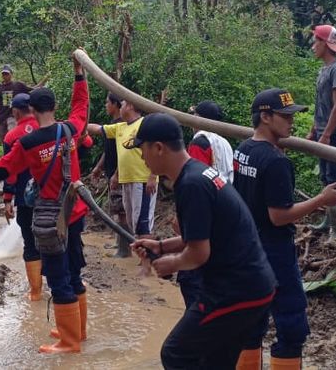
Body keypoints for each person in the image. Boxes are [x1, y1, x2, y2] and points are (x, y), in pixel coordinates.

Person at [129, 113, 276, 369]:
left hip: (234, 291)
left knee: (176, 354)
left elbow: (198, 254)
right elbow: (196, 237)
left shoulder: (191, 184)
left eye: (142, 150)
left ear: (159, 148)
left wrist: (169, 264)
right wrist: (162, 246)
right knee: (214, 362)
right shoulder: (198, 173)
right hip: (255, 287)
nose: (142, 158)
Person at [0, 54, 89, 354]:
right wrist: (79, 75)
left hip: (52, 217)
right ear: (52, 107)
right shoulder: (71, 130)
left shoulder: (27, 144)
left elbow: (2, 170)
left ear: (30, 110)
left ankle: (68, 342)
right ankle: (79, 331)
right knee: (75, 271)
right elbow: (81, 107)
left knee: (58, 276)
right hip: (76, 212)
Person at [233, 88, 336, 369]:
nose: (291, 122)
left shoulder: (244, 150)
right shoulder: (276, 162)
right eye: (285, 116)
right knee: (291, 323)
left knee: (251, 319)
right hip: (274, 249)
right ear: (265, 116)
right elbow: (279, 216)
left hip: (247, 247)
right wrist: (321, 199)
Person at [88, 99, 159, 276]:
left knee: (143, 223)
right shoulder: (120, 128)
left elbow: (157, 150)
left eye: (124, 103)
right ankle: (145, 260)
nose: (121, 105)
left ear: (132, 106)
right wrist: (74, 124)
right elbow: (97, 129)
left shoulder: (145, 125)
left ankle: (147, 265)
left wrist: (153, 176)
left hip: (143, 181)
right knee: (133, 222)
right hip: (127, 180)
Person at [175, 100, 235, 309]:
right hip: (225, 212)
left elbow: (194, 179)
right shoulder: (225, 142)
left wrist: (182, 215)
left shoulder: (200, 141)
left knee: (192, 279)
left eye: (195, 116)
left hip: (205, 213)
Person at [306, 25, 336, 237]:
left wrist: (327, 134)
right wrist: (314, 130)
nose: (313, 46)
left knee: (335, 177)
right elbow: (321, 105)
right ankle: (328, 220)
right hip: (324, 131)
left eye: (316, 42)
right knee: (325, 176)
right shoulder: (323, 69)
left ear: (325, 43)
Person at [0, 93, 42, 300]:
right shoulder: (50, 128)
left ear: (15, 111)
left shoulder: (12, 136)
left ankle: (35, 292)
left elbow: (10, 169)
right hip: (52, 196)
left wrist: (8, 198)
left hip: (26, 198)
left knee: (30, 242)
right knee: (57, 238)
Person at [89, 93, 128, 258]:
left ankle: (124, 249)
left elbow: (125, 152)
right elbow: (109, 151)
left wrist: (117, 174)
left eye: (107, 102)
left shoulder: (122, 125)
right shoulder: (114, 124)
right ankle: (119, 243)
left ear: (115, 104)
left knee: (122, 212)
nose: (105, 105)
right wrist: (99, 167)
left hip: (120, 174)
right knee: (117, 210)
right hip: (112, 172)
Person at [0, 64, 33, 146]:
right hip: (0, 117)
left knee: (13, 138)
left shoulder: (18, 85)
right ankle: (7, 156)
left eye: (7, 74)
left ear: (11, 74)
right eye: (3, 74)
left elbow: (30, 92)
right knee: (4, 141)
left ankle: (15, 155)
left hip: (13, 116)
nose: (5, 76)